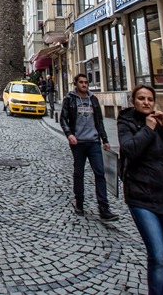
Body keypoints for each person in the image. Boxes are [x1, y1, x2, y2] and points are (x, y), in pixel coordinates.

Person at [117, 84, 163, 295]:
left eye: (150, 99)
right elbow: (129, 149)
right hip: (140, 196)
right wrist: (148, 129)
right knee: (158, 255)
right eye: (141, 98)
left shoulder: (162, 123)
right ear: (133, 101)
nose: (146, 102)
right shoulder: (126, 122)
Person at [60, 73, 118, 222]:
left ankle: (104, 208)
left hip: (93, 142)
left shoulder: (93, 99)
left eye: (86, 82)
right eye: (81, 82)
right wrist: (69, 134)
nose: (84, 85)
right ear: (76, 84)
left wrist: (105, 139)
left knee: (100, 173)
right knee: (79, 173)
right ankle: (79, 202)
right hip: (78, 143)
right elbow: (63, 119)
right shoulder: (69, 99)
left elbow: (99, 121)